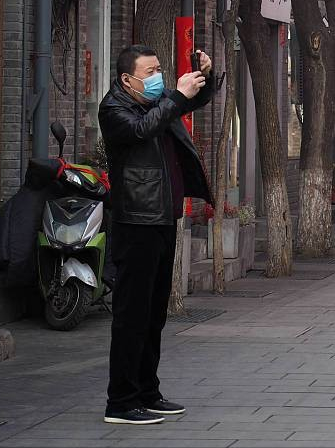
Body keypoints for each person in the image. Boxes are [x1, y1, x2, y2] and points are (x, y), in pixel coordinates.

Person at [98, 45, 216, 425]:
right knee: (132, 314)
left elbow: (188, 103)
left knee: (153, 314)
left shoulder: (158, 101)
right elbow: (140, 130)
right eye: (149, 72)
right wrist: (177, 96)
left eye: (159, 70)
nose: (157, 78)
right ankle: (121, 401)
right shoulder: (115, 109)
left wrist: (205, 78)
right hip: (137, 222)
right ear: (126, 79)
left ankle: (148, 392)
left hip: (163, 218)